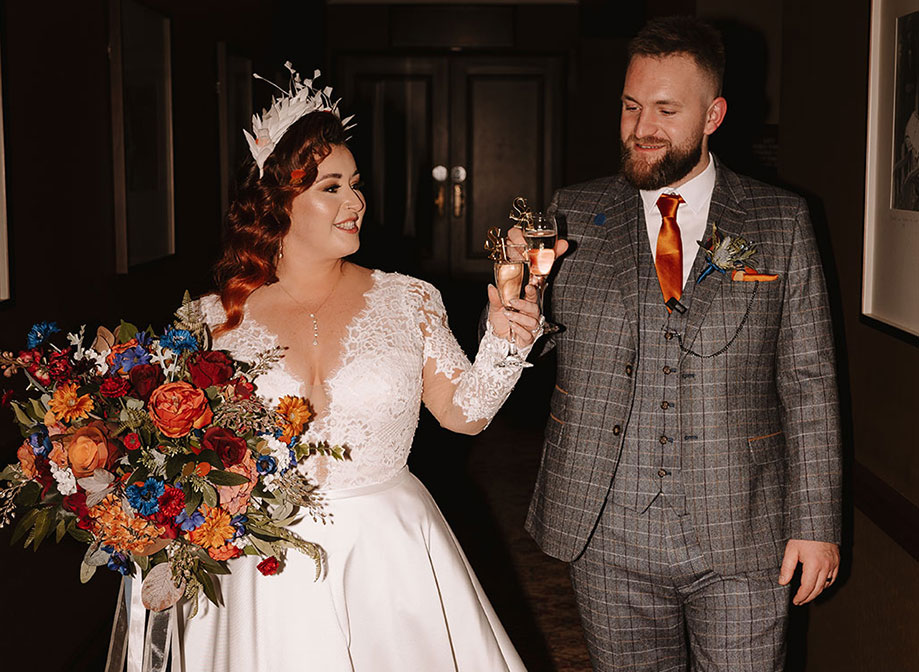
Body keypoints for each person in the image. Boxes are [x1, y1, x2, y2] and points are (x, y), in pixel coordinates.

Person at [174, 71, 540, 671]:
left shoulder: (407, 301)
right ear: (278, 202)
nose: (356, 202)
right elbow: (182, 452)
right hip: (263, 564)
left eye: (357, 184)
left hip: (389, 557)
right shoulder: (211, 321)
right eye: (332, 186)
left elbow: (464, 416)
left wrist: (504, 340)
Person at [522, 17, 842, 672]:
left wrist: (816, 520)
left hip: (744, 530)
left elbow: (807, 380)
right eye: (631, 106)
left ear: (712, 114)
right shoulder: (573, 216)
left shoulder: (776, 222)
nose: (642, 128)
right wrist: (512, 316)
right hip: (606, 530)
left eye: (666, 110)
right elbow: (521, 350)